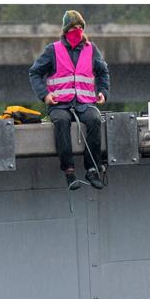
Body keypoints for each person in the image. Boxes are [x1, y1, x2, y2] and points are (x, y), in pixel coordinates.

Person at [28, 10, 110, 190]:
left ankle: (92, 169)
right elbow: (35, 73)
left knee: (95, 120)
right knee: (61, 122)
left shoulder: (91, 50)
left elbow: (103, 72)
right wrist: (45, 95)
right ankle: (69, 170)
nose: (78, 30)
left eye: (80, 27)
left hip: (85, 103)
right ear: (66, 30)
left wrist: (103, 91)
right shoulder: (53, 50)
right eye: (74, 27)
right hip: (60, 104)